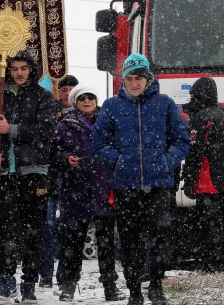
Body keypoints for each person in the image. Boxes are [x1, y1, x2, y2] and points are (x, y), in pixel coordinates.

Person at [90, 53, 190, 305]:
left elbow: (182, 140)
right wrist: (117, 160)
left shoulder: (165, 104)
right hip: (126, 186)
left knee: (159, 237)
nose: (134, 83)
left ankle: (156, 286)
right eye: (129, 78)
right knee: (130, 240)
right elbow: (97, 141)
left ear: (148, 78)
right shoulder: (112, 106)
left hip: (158, 185)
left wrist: (167, 161)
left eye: (139, 78)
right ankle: (134, 290)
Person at [0, 49, 57, 302]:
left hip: (34, 172)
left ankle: (30, 283)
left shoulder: (42, 96)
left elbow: (46, 130)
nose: (20, 73)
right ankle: (6, 280)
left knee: (33, 231)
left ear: (31, 69)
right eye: (15, 69)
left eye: (24, 68)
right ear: (7, 70)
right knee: (4, 231)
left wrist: (13, 129)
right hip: (5, 174)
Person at [51, 84, 126, 302]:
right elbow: (53, 152)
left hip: (103, 188)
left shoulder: (108, 123)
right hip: (75, 190)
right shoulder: (64, 126)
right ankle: (69, 286)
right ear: (75, 102)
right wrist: (66, 159)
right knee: (74, 243)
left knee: (106, 243)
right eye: (82, 98)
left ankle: (110, 287)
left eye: (90, 97)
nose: (86, 101)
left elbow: (118, 149)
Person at [181, 76, 224, 273]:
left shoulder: (203, 118)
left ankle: (212, 264)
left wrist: (189, 180)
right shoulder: (223, 114)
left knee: (209, 224)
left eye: (193, 95)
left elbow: (195, 152)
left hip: (210, 182)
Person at [39, 74, 78, 288]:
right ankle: (45, 273)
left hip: (72, 180)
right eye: (63, 89)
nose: (66, 93)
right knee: (46, 228)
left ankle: (64, 275)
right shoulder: (48, 112)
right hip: (48, 179)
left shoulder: (83, 115)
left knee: (69, 231)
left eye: (71, 89)